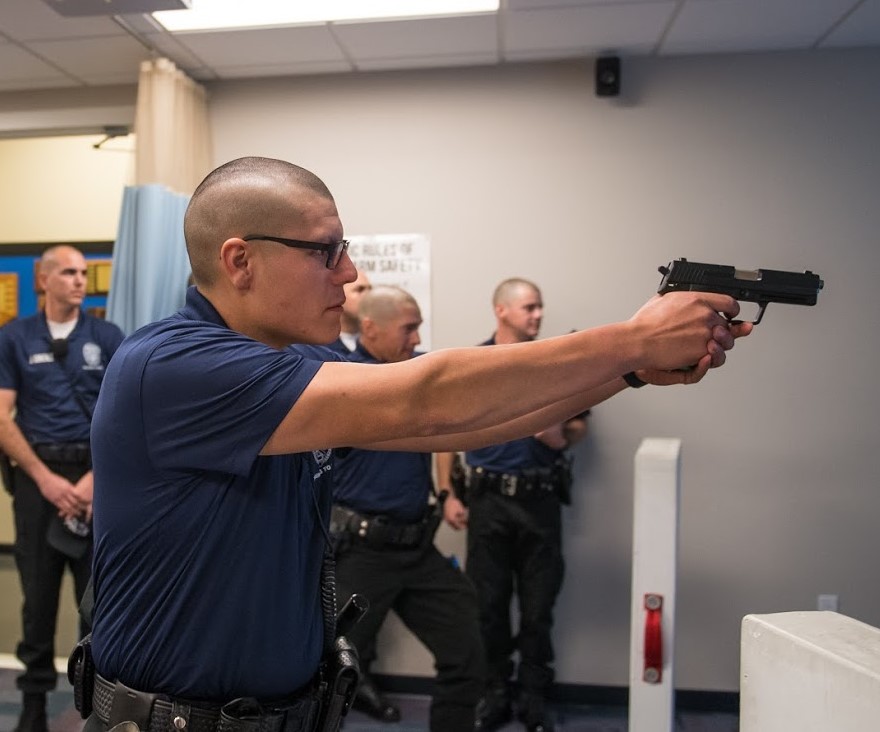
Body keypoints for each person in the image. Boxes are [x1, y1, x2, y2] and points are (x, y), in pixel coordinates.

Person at [85, 156, 750, 732]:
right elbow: (427, 397)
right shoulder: (174, 367)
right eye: (326, 251)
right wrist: (631, 340)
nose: (348, 274)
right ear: (241, 261)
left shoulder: (281, 375)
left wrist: (626, 373)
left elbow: (461, 424)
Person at [311, 286, 484, 731]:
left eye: (419, 327)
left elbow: (459, 409)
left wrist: (447, 489)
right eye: (409, 328)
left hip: (416, 546)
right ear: (370, 327)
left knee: (465, 647)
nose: (416, 337)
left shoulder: (417, 369)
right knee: (326, 676)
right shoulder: (344, 376)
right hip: (362, 553)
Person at [438, 278, 589, 732]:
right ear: (501, 311)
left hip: (540, 502)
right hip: (487, 504)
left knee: (539, 608)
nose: (538, 315)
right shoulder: (473, 364)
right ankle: (495, 693)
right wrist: (448, 494)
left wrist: (560, 434)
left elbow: (580, 427)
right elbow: (445, 436)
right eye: (529, 307)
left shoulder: (560, 363)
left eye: (540, 307)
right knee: (488, 606)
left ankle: (534, 697)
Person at [0, 245, 124, 732]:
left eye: (82, 273)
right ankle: (33, 707)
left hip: (98, 480)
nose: (79, 281)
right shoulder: (14, 337)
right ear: (43, 280)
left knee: (97, 600)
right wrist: (46, 480)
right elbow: (3, 417)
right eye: (68, 273)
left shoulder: (107, 336)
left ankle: (92, 706)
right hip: (38, 480)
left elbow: (121, 415)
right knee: (38, 596)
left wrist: (93, 480)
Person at [333, 267, 372, 352]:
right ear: (337, 294)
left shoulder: (380, 342)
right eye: (360, 290)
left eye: (370, 289)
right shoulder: (318, 346)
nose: (369, 296)